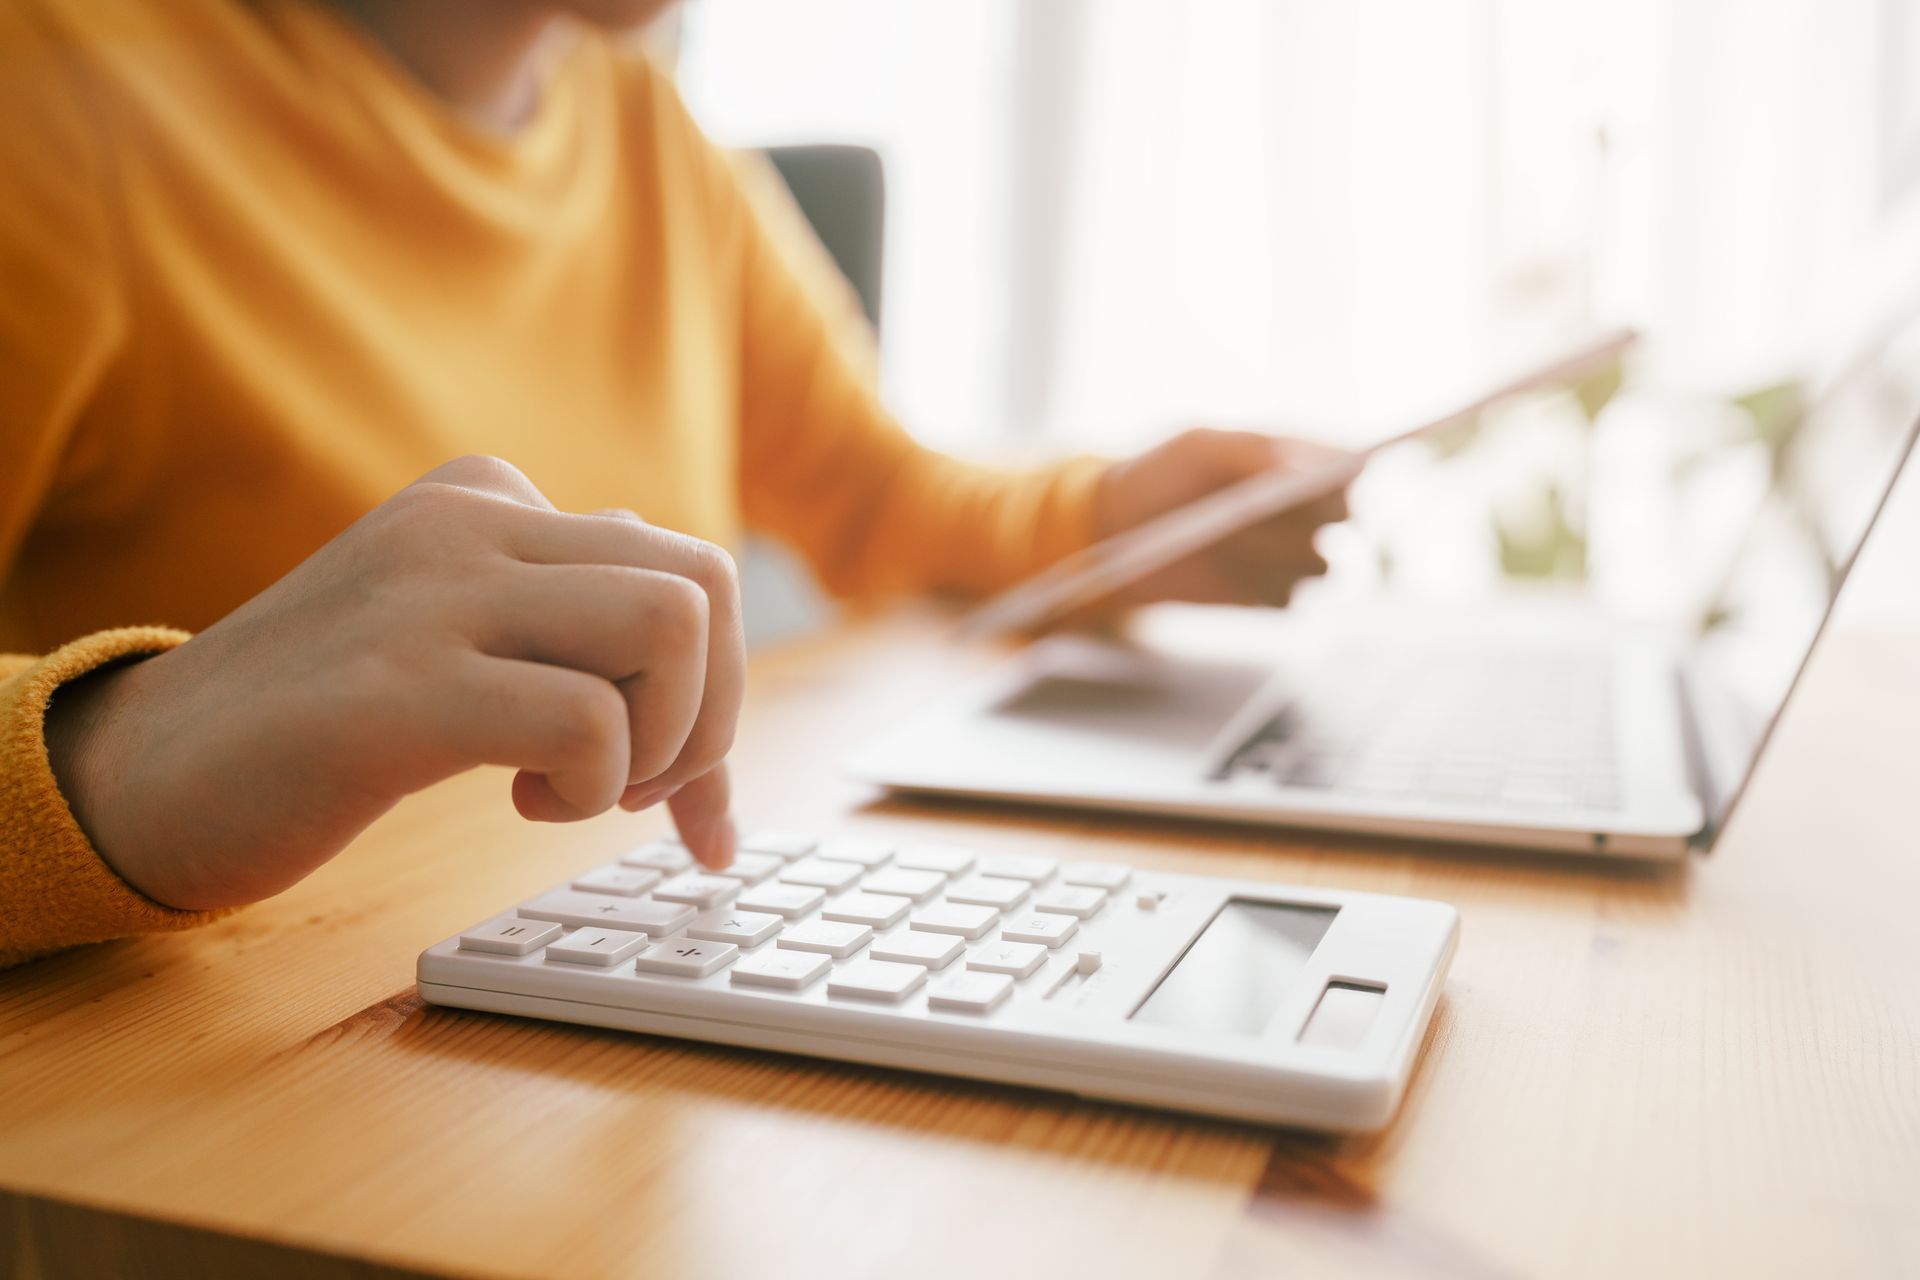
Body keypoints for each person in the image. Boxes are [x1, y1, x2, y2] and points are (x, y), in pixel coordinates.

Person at [0, 0, 1347, 968]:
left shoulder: (640, 121)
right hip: (204, 1107)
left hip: (588, 1010)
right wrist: (114, 758)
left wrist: (1118, 521)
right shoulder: (51, 86)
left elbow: (882, 505)